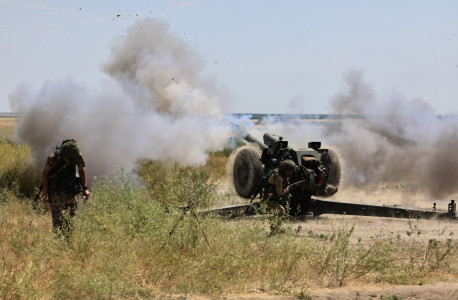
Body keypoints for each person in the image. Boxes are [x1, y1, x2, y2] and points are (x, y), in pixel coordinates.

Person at [42, 139, 90, 233]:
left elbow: (81, 170)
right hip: (56, 190)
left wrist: (85, 188)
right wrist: (45, 192)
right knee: (58, 219)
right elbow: (45, 174)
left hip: (70, 189)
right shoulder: (53, 158)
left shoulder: (77, 155)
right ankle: (58, 242)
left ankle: (68, 241)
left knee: (71, 218)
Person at [261, 159, 296, 235]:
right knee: (280, 210)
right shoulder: (279, 178)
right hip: (266, 200)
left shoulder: (282, 176)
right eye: (289, 171)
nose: (291, 173)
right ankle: (274, 231)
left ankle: (275, 230)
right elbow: (280, 193)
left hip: (271, 199)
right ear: (284, 170)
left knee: (275, 213)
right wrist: (287, 189)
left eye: (292, 171)